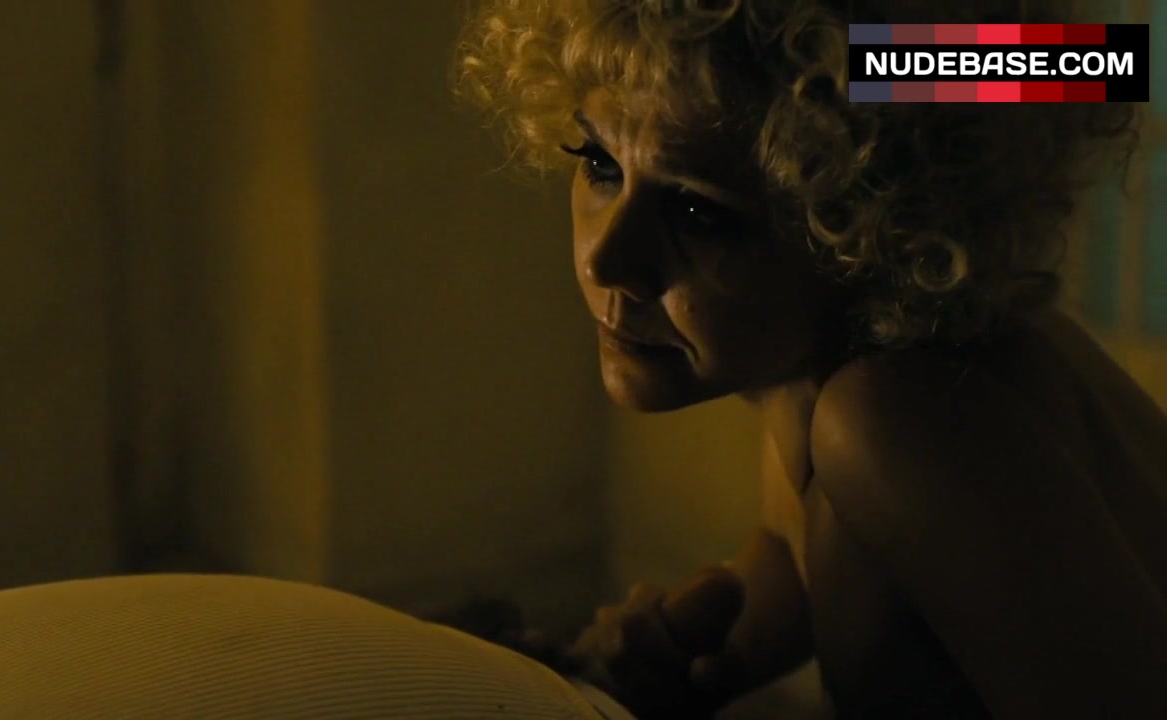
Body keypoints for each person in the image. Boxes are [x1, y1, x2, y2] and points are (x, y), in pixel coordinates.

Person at [454, 0, 1167, 718]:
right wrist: (660, 665)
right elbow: (809, 551)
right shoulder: (832, 369)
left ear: (867, 219)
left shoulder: (892, 420)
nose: (608, 260)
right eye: (600, 163)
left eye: (698, 212)